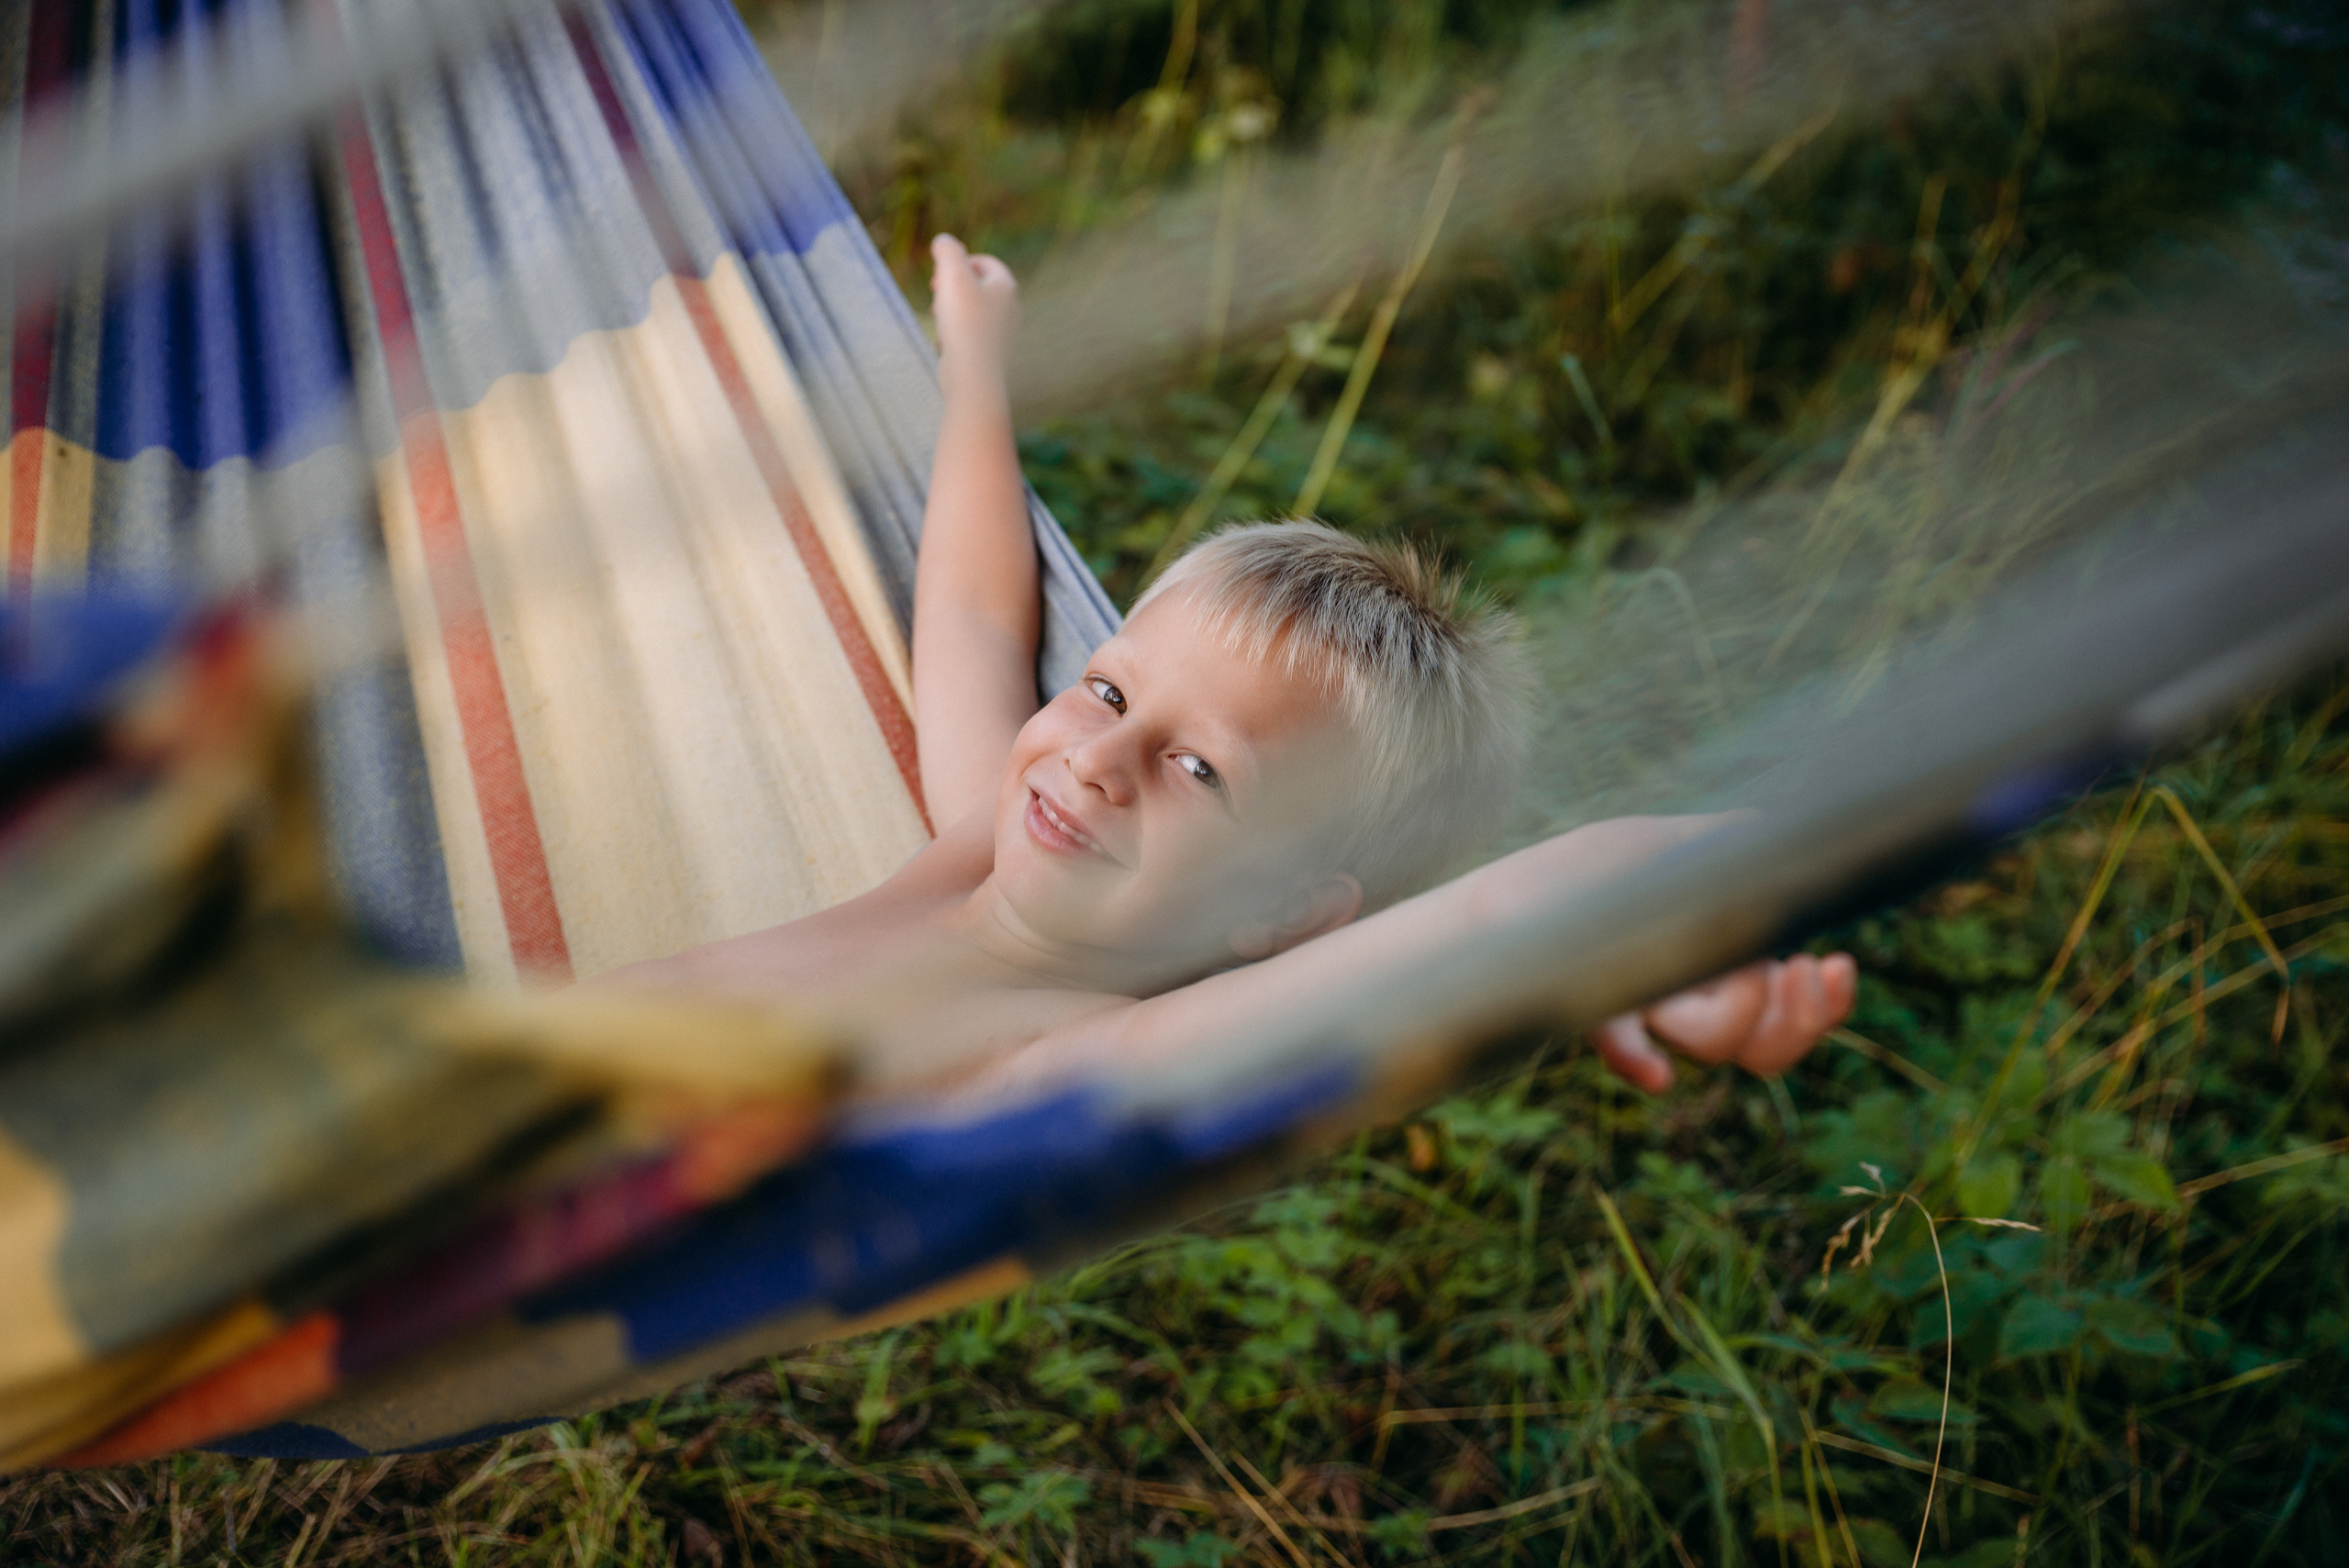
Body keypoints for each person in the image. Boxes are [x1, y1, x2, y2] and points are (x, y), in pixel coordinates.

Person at [607, 235, 1854, 1100]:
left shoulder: (1071, 1057)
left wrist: (1669, 918)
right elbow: (979, 618)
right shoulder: (981, 846)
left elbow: (1504, 908)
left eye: (1200, 768)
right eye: (1107, 689)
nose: (1098, 760)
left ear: (1282, 913)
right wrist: (978, 374)